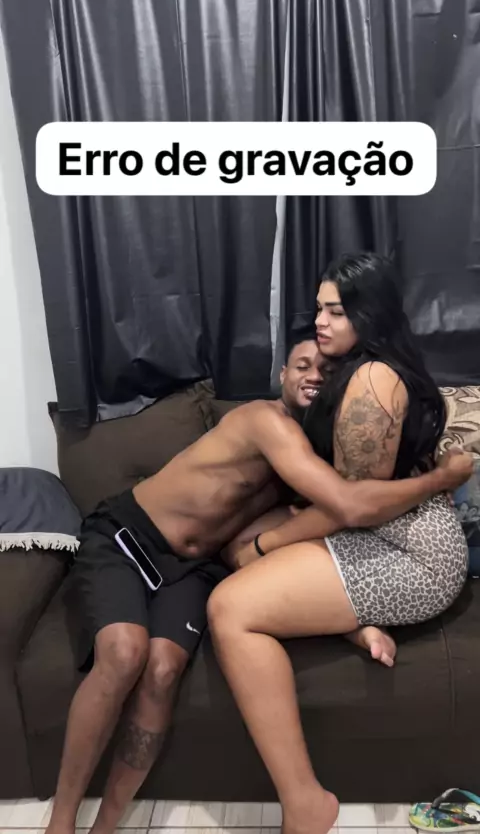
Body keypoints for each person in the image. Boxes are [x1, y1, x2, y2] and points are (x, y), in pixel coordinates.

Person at [46, 335, 471, 834]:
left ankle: (106, 827)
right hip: (130, 536)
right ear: (282, 376)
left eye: (327, 370)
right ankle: (61, 823)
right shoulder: (264, 421)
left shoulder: (315, 464)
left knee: (162, 670)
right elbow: (349, 506)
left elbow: (288, 557)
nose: (314, 375)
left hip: (197, 568)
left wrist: (355, 627)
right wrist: (439, 480)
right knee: (124, 652)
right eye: (302, 366)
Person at [207, 252, 473, 834]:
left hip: (412, 554)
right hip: (377, 532)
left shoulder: (372, 379)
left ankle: (305, 803)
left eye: (336, 311)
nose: (321, 322)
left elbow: (348, 506)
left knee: (230, 608)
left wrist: (267, 545)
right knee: (235, 557)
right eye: (320, 309)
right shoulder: (359, 369)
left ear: (368, 313)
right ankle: (354, 625)